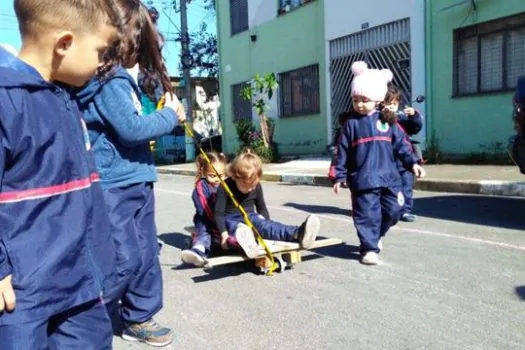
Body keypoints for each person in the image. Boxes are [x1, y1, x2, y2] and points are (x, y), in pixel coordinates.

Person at [0, 0, 121, 348]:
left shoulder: (66, 98)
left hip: (81, 285)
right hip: (22, 298)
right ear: (64, 43)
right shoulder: (8, 100)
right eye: (100, 50)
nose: (101, 62)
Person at [75, 0, 185, 346]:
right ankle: (96, 312)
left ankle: (139, 315)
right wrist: (171, 116)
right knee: (124, 256)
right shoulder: (110, 83)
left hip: (137, 178)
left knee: (147, 251)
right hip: (114, 184)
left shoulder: (123, 82)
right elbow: (132, 129)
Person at [333, 61, 426, 266]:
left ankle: (376, 236)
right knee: (366, 216)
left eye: (364, 99)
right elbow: (342, 152)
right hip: (363, 181)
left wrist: (413, 163)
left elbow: (402, 145)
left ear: (376, 99)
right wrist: (338, 175)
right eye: (355, 99)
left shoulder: (388, 121)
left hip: (389, 179)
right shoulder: (351, 125)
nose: (359, 104)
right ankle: (369, 248)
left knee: (395, 210)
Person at [214, 150, 321, 258]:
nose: (250, 188)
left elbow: (262, 208)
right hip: (231, 219)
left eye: (253, 185)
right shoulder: (224, 187)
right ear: (234, 176)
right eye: (246, 185)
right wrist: (223, 234)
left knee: (266, 225)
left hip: (250, 217)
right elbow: (218, 214)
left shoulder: (257, 187)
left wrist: (265, 222)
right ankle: (247, 243)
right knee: (237, 228)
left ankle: (298, 233)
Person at [383, 85, 424, 222]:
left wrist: (414, 115)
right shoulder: (377, 120)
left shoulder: (401, 119)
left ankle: (405, 211)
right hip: (386, 161)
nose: (391, 107)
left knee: (406, 186)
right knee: (387, 187)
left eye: (394, 104)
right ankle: (386, 208)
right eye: (387, 103)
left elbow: (415, 127)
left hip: (404, 161)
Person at [181, 152, 227, 267]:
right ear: (204, 173)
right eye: (213, 175)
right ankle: (198, 249)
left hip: (223, 220)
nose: (217, 179)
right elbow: (203, 209)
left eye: (221, 175)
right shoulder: (201, 186)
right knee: (205, 233)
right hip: (206, 220)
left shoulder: (226, 185)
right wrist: (218, 225)